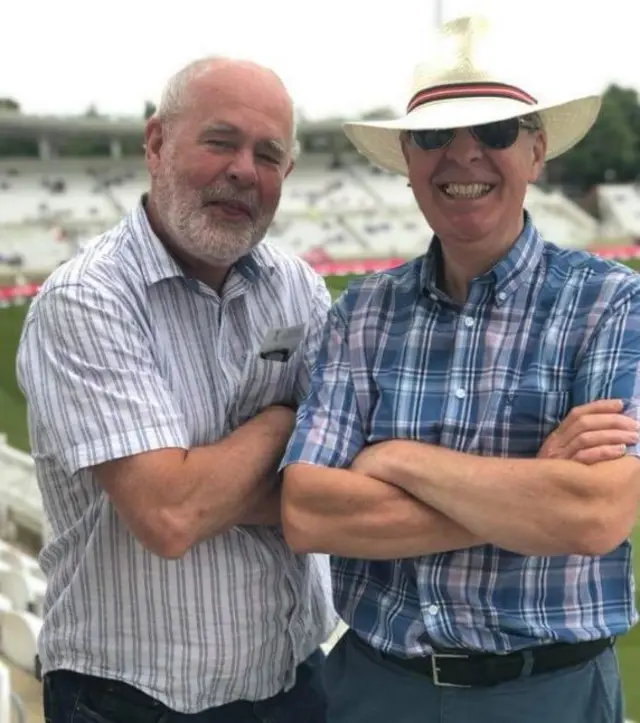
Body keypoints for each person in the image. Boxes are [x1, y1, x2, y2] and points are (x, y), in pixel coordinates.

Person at [280, 15, 640, 723]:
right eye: (434, 136)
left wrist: (393, 457)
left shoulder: (612, 303)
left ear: (535, 152)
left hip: (549, 692)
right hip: (377, 687)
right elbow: (307, 510)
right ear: (409, 160)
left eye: (496, 132)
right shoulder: (361, 312)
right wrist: (530, 488)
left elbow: (592, 511)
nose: (463, 155)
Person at [16, 56, 336, 723]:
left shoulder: (297, 287)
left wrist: (215, 482)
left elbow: (345, 473)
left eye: (268, 154)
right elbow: (169, 514)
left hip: (293, 677)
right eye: (220, 141)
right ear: (157, 142)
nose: (244, 170)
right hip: (132, 698)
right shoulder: (87, 299)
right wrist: (284, 419)